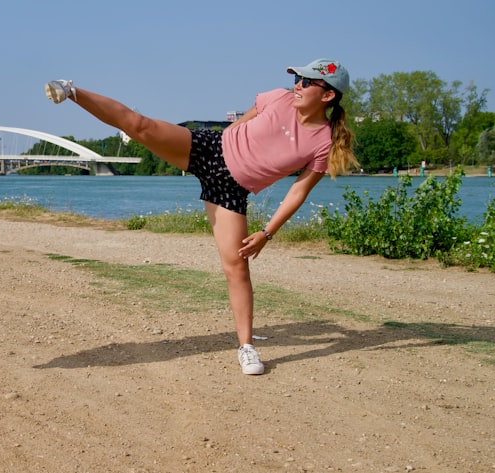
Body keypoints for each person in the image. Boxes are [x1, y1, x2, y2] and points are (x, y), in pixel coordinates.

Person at [44, 58, 358, 375]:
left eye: (306, 82)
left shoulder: (324, 142)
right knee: (141, 127)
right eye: (298, 80)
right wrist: (220, 145)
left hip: (231, 191)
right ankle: (71, 90)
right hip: (210, 148)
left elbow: (298, 191)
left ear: (328, 95)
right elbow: (240, 125)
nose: (298, 86)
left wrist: (267, 232)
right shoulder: (277, 97)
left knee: (237, 266)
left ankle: (246, 347)